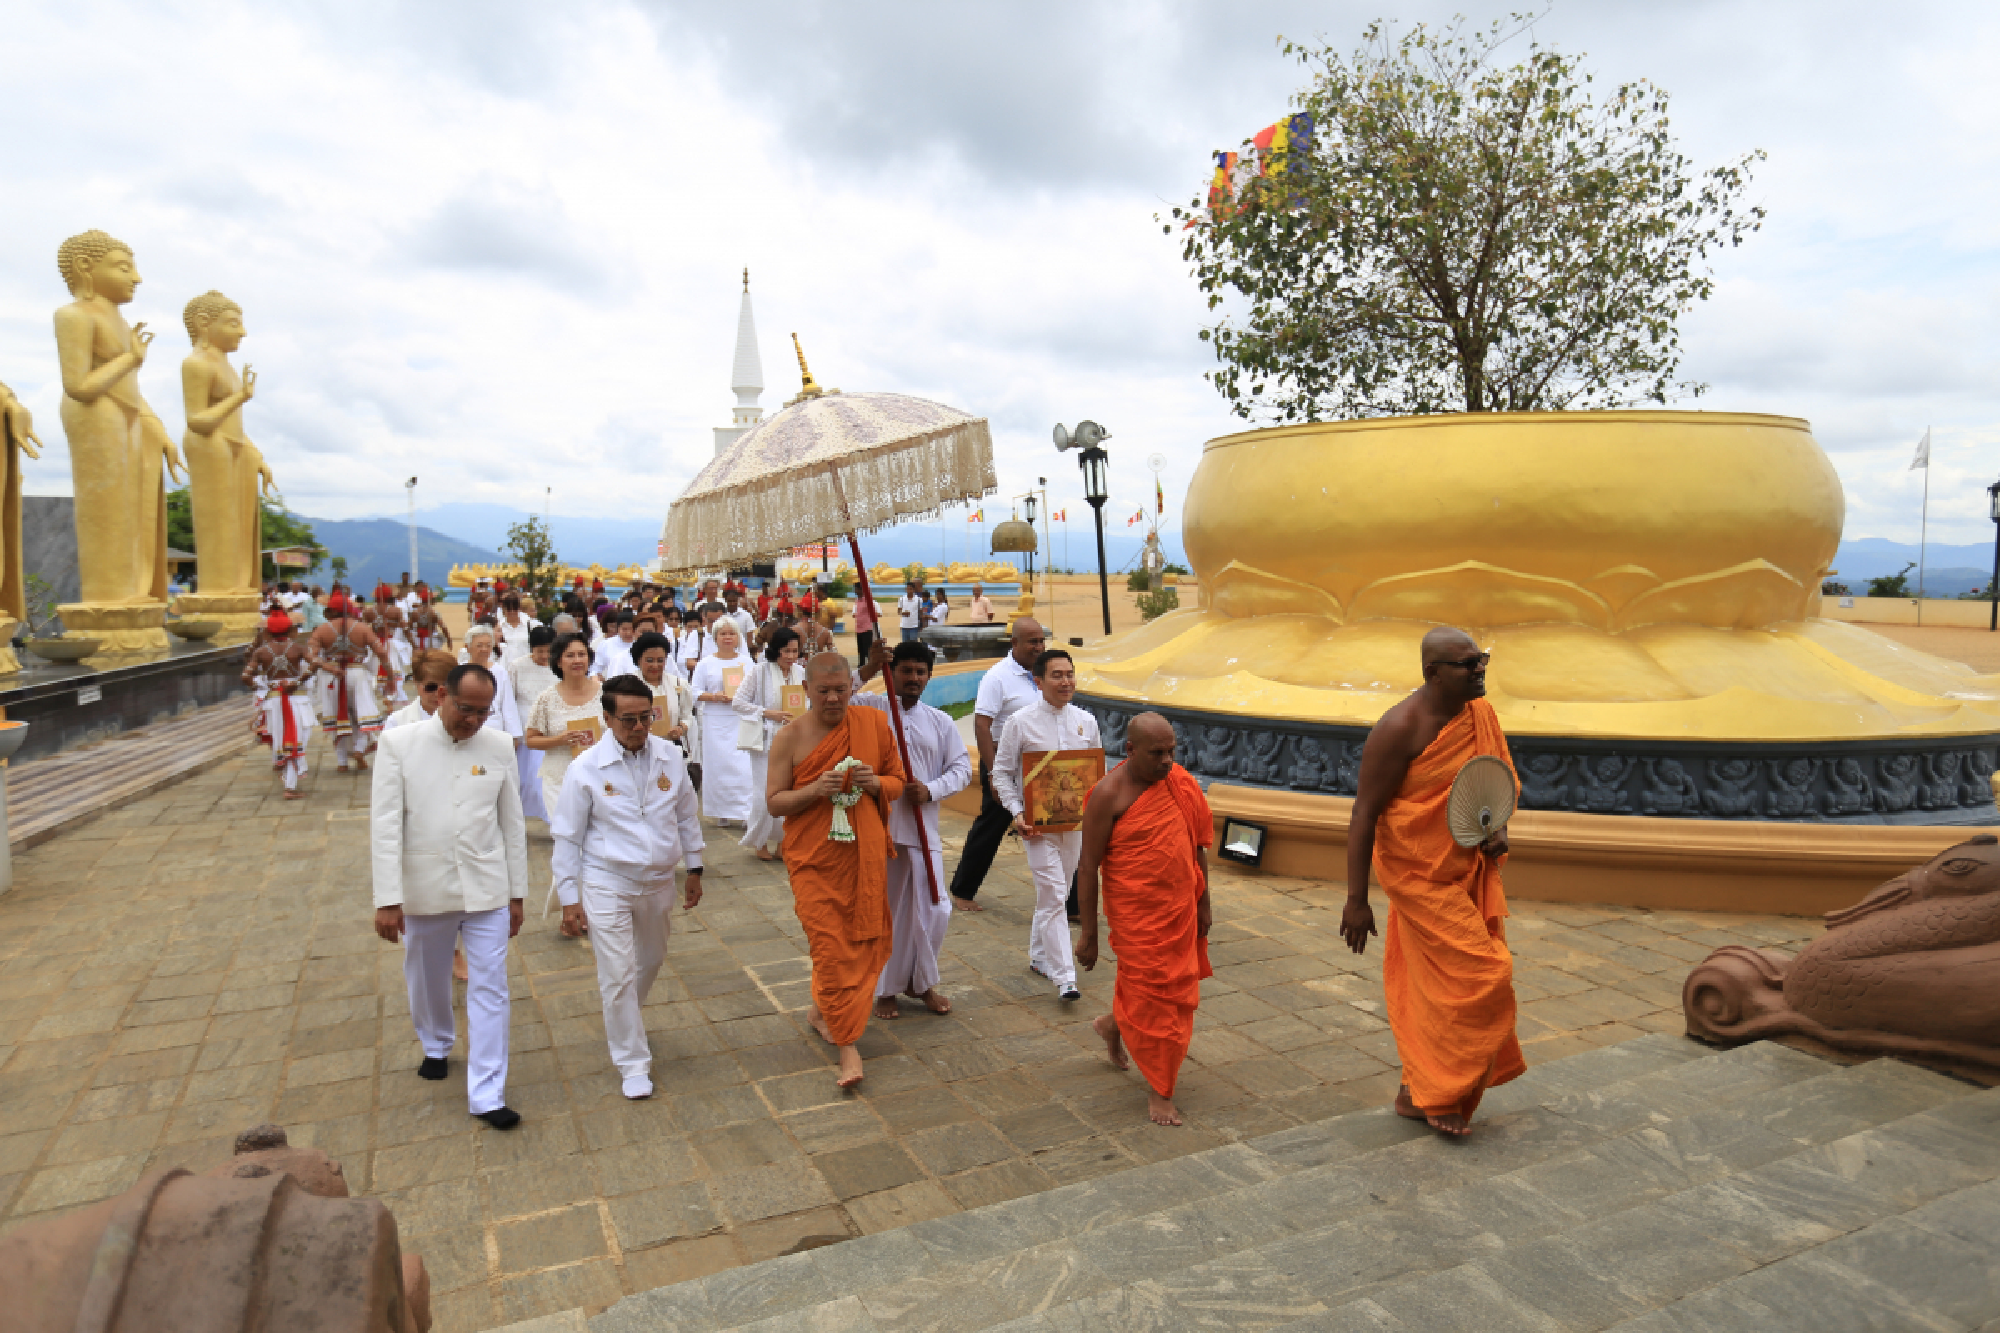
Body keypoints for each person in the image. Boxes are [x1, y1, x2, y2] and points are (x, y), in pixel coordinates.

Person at [1343, 627, 1525, 1138]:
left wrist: (1497, 831)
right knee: (1483, 973)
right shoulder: (1400, 727)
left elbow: (1494, 783)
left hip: (1464, 867)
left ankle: (1417, 1091)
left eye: (1481, 659)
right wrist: (1357, 899)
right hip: (1416, 874)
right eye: (1468, 664)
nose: (1480, 670)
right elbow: (1363, 815)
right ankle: (1439, 1090)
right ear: (1433, 673)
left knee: (1433, 983)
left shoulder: (1479, 715)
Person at [370, 663, 528, 1131]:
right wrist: (387, 898)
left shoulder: (499, 746)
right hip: (423, 889)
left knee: (491, 987)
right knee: (426, 975)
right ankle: (436, 1042)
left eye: (484, 712)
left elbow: (512, 825)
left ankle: (487, 1092)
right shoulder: (399, 743)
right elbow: (385, 825)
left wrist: (517, 893)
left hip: (488, 889)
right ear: (441, 696)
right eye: (465, 709)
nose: (474, 720)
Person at [551, 674, 705, 1100]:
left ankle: (624, 1018)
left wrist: (696, 867)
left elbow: (687, 815)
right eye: (629, 720)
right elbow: (567, 836)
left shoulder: (671, 757)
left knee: (651, 960)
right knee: (616, 973)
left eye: (647, 717)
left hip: (658, 881)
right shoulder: (585, 768)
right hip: (607, 880)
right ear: (606, 718)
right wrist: (569, 899)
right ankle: (632, 1062)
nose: (639, 727)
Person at [766, 653, 907, 1088]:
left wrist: (874, 783)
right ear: (805, 689)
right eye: (823, 690)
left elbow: (897, 781)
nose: (832, 698)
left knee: (858, 942)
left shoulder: (872, 725)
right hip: (814, 860)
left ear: (852, 687)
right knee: (829, 946)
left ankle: (821, 1011)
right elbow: (774, 802)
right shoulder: (789, 737)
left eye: (840, 690)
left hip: (862, 855)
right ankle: (848, 1046)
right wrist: (814, 790)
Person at [1075, 713, 1214, 1126]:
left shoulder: (1180, 783)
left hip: (1181, 910)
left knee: (1166, 993)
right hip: (1137, 916)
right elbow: (1087, 867)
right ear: (1130, 750)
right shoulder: (1107, 795)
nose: (1167, 761)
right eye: (1157, 753)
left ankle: (1112, 1025)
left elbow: (1198, 843)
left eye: (1172, 751)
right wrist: (1089, 934)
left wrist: (1205, 902)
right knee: (1153, 995)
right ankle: (1160, 1089)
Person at [854, 640, 971, 1019]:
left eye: (921, 672)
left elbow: (962, 769)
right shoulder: (871, 709)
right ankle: (886, 989)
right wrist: (869, 668)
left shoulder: (940, 721)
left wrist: (931, 789)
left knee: (935, 909)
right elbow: (828, 703)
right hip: (881, 828)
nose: (914, 678)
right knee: (887, 911)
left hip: (923, 829)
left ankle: (920, 983)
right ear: (893, 672)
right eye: (906, 670)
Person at [993, 648, 1101, 1001]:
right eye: (1057, 675)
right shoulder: (1020, 723)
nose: (1066, 681)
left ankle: (1040, 957)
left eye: (1069, 674)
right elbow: (1001, 773)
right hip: (1037, 828)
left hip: (1076, 828)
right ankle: (1064, 975)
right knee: (1056, 894)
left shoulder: (1087, 721)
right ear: (1037, 681)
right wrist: (1016, 812)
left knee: (1054, 892)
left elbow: (1096, 778)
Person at [946, 617, 1047, 910]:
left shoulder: (1044, 672)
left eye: (1041, 641)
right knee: (990, 827)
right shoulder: (997, 677)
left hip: (1041, 764)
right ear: (1014, 643)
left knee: (1059, 827)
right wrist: (992, 772)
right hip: (1007, 765)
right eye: (1032, 642)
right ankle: (963, 890)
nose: (1039, 647)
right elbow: (981, 725)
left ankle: (1073, 903)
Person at [524, 633, 604, 855]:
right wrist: (559, 740)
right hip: (560, 777)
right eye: (570, 655)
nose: (577, 660)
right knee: (568, 838)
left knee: (595, 840)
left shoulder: (605, 694)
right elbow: (531, 739)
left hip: (599, 776)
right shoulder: (547, 699)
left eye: (582, 654)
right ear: (558, 661)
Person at [733, 627, 806, 860]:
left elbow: (810, 702)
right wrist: (767, 712)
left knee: (790, 792)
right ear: (776, 651)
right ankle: (760, 840)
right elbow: (738, 702)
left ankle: (785, 841)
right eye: (787, 651)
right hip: (766, 742)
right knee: (764, 793)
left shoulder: (801, 673)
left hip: (794, 742)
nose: (791, 657)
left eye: (795, 651)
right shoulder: (760, 671)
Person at [305, 592, 385, 772]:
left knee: (337, 715)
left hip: (332, 677)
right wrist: (389, 677)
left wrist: (329, 667)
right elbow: (381, 653)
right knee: (363, 715)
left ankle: (342, 762)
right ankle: (358, 749)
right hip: (357, 674)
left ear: (330, 612)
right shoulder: (362, 628)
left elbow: (311, 656)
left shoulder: (321, 630)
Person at [241, 611, 317, 800]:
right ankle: (289, 787)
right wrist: (297, 681)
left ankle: (281, 765)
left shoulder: (261, 652)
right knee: (297, 739)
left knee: (283, 739)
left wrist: (263, 686)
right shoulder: (298, 649)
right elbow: (315, 664)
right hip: (296, 699)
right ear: (291, 630)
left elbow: (245, 676)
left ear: (268, 632)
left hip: (274, 700)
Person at [690, 621, 753, 823]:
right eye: (723, 633)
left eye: (732, 633)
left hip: (739, 719)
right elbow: (694, 692)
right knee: (718, 766)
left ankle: (745, 812)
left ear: (738, 637)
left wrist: (741, 698)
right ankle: (721, 811)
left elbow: (755, 690)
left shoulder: (747, 662)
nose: (727, 637)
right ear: (715, 637)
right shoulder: (705, 663)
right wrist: (715, 696)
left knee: (743, 767)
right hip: (715, 720)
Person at [510, 626, 558, 822]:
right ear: (531, 648)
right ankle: (518, 819)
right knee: (523, 781)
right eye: (540, 651)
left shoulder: (559, 666)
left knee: (544, 781)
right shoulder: (517, 666)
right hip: (524, 733)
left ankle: (552, 818)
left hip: (551, 732)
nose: (545, 655)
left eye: (549, 650)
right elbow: (509, 700)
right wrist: (513, 732)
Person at [461, 625, 524, 744]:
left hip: (494, 731)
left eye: (488, 645)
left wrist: (514, 736)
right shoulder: (459, 671)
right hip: (466, 730)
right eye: (479, 645)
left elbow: (508, 706)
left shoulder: (500, 672)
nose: (484, 649)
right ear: (468, 647)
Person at [386, 649, 458, 729]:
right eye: (431, 687)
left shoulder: (467, 721)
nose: (438, 693)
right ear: (416, 682)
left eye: (446, 687)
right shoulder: (397, 723)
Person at [494, 592, 540, 666]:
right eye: (509, 609)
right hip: (506, 668)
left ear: (519, 609)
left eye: (515, 609)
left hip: (526, 668)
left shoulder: (531, 625)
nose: (512, 612)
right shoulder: (499, 627)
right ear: (504, 609)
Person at [592, 610, 639, 680]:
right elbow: (595, 669)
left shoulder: (640, 644)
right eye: (624, 629)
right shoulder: (606, 644)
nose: (628, 633)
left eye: (631, 629)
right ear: (618, 629)